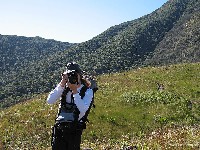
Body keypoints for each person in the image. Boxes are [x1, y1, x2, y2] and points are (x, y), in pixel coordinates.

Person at [47, 62, 93, 150]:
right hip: (60, 127)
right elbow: (50, 100)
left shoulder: (87, 91)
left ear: (80, 75)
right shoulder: (64, 88)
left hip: (75, 128)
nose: (73, 77)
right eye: (69, 75)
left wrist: (75, 91)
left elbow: (83, 109)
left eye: (74, 74)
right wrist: (62, 83)